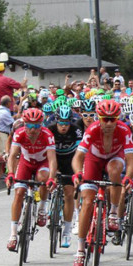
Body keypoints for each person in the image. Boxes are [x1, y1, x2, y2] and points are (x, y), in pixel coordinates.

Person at [71, 100, 133, 266]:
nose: (108, 123)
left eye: (112, 119)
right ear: (98, 118)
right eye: (104, 119)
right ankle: (80, 249)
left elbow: (131, 159)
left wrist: (128, 177)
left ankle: (113, 211)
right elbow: (78, 157)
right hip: (94, 160)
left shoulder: (123, 130)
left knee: (115, 170)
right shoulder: (92, 129)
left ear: (117, 118)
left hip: (115, 157)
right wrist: (78, 173)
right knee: (87, 202)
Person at [5, 108, 57, 252]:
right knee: (19, 192)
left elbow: (52, 160)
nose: (32, 129)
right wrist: (10, 173)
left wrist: (52, 178)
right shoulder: (19, 133)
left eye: (36, 126)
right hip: (26, 163)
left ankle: (42, 208)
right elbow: (13, 155)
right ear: (24, 123)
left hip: (42, 163)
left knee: (43, 178)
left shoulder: (48, 135)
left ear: (41, 125)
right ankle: (13, 234)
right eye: (29, 125)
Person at [48, 105, 82, 249]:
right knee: (50, 179)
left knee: (69, 194)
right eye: (61, 123)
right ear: (56, 121)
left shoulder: (76, 130)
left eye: (66, 123)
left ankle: (67, 231)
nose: (63, 126)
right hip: (53, 157)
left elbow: (81, 153)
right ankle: (50, 204)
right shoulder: (50, 129)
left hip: (69, 159)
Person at [0, 96, 15, 177]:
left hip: (3, 133)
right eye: (10, 102)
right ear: (7, 103)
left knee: (2, 153)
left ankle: (0, 172)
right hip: (1, 134)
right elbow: (11, 123)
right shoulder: (3, 112)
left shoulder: (2, 110)